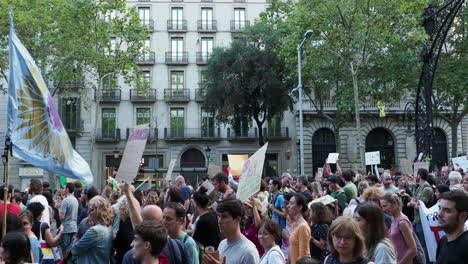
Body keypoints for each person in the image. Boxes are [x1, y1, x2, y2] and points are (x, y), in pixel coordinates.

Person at [203, 198, 260, 264]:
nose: (219, 221)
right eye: (218, 216)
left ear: (237, 219)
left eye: (224, 216)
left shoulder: (248, 252)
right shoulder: (222, 244)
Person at [71, 196, 114, 263]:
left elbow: (74, 250)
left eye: (91, 210)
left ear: (99, 211)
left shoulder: (95, 230)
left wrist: (75, 241)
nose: (88, 212)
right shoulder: (109, 227)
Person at [381, 193, 417, 264]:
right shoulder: (394, 219)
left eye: (385, 206)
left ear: (394, 203)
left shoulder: (402, 222)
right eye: (382, 207)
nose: (383, 209)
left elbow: (413, 249)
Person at [407, 168, 434, 261]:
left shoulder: (427, 189)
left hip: (423, 222)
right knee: (418, 245)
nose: (414, 176)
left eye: (416, 174)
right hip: (416, 220)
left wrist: (413, 204)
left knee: (423, 245)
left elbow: (420, 207)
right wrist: (413, 203)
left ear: (419, 176)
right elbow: (413, 201)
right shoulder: (419, 187)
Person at [436, 190, 468, 264]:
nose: (439, 214)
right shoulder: (443, 241)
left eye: (447, 210)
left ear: (463, 216)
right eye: (439, 208)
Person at [287, 193, 311, 263]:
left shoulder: (303, 227)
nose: (288, 206)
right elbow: (292, 248)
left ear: (300, 207)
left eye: (291, 203)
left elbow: (303, 255)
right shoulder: (294, 224)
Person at [59, 182, 79, 252]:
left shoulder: (65, 200)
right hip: (74, 228)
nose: (64, 190)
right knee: (71, 250)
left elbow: (62, 216)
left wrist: (59, 209)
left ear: (67, 189)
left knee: (65, 250)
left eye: (64, 188)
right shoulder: (75, 200)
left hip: (66, 229)